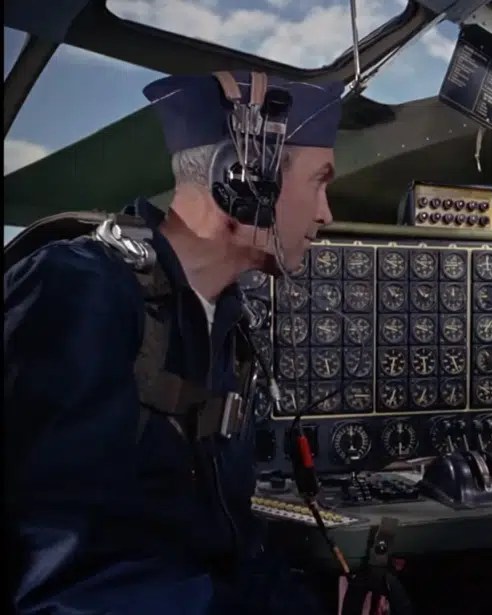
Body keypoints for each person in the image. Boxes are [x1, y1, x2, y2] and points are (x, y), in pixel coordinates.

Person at [4, 70, 343, 614]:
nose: (326, 213)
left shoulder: (223, 323)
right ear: (243, 182)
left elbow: (227, 543)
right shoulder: (82, 289)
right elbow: (60, 579)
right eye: (318, 182)